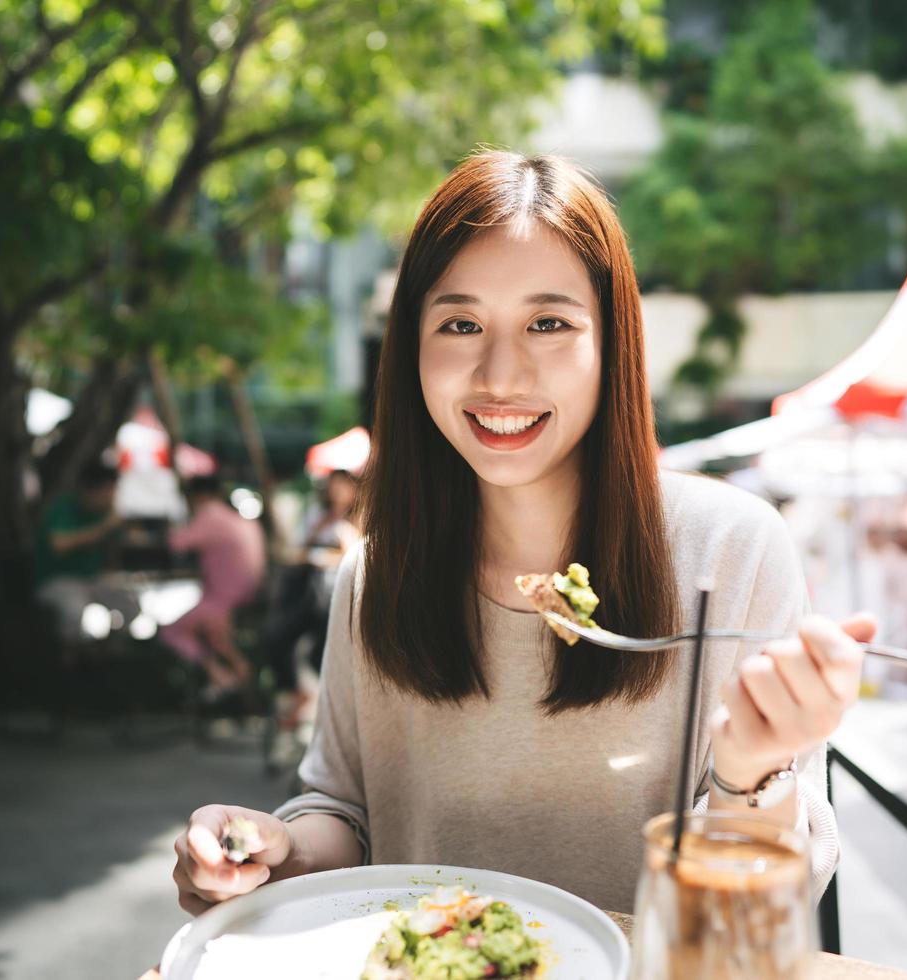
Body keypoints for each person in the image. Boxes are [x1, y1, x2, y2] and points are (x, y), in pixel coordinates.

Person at [172, 153, 870, 916]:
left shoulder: (729, 551)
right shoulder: (377, 575)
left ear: (612, 343)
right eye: (461, 323)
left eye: (548, 323)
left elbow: (757, 908)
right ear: (412, 348)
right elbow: (345, 812)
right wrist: (269, 850)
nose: (500, 376)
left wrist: (752, 775)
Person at [266, 469, 363, 716]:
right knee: (278, 635)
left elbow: (359, 554)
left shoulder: (361, 518)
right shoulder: (319, 515)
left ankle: (333, 704)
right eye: (333, 487)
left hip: (344, 597)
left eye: (342, 486)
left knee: (320, 652)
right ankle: (292, 695)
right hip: (314, 594)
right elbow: (299, 550)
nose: (337, 492)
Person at [160, 475, 267, 694]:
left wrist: (168, 526)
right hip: (246, 597)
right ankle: (241, 681)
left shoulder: (209, 514)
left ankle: (219, 677)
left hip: (222, 600)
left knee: (171, 632)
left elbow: (176, 543)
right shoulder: (242, 519)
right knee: (217, 638)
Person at [33, 461, 132, 643]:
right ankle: (71, 658)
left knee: (129, 604)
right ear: (92, 490)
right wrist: (103, 528)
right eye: (109, 490)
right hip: (57, 580)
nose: (112, 496)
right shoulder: (63, 507)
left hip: (93, 579)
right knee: (74, 612)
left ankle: (121, 651)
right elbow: (59, 545)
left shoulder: (105, 513)